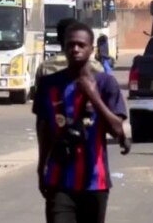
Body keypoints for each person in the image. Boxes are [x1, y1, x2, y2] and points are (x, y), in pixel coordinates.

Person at [33, 22, 129, 223]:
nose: (75, 49)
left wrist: (94, 97)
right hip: (59, 181)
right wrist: (42, 166)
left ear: (91, 49)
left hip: (95, 183)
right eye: (70, 45)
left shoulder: (105, 83)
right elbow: (44, 129)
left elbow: (117, 129)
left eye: (80, 45)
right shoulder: (49, 84)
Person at [38, 18, 105, 78]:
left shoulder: (45, 67)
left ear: (58, 39)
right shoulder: (96, 66)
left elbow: (38, 90)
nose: (75, 49)